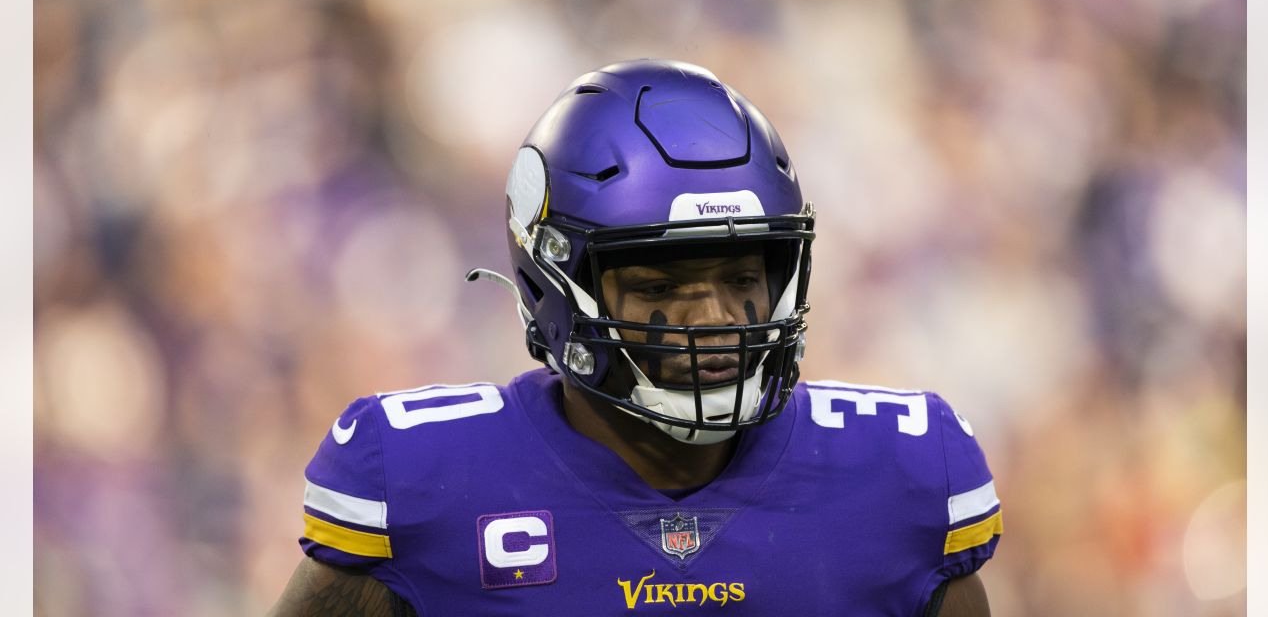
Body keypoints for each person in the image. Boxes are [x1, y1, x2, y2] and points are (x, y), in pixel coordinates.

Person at [269, 59, 1002, 616]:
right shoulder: (421, 479)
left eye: (742, 277)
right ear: (551, 281)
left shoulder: (902, 472)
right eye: (659, 287)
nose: (714, 318)